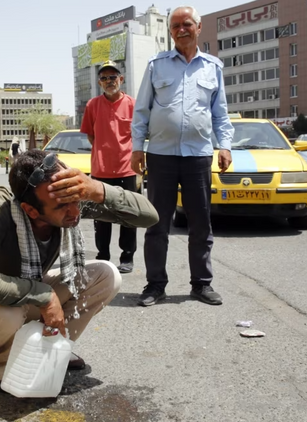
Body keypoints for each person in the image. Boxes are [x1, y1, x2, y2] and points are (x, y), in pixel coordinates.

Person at [0, 150, 158, 389]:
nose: (75, 211)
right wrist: (45, 296)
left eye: (77, 199)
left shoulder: (66, 199)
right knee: (7, 311)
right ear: (31, 210)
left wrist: (96, 189)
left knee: (106, 275)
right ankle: (2, 361)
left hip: (30, 286)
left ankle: (53, 346)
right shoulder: (0, 207)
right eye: (63, 207)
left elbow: (149, 216)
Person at [130, 5, 234, 307]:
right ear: (170, 31)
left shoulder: (213, 67)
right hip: (160, 156)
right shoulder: (156, 65)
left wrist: (224, 145)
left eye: (186, 24)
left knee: (200, 224)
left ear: (198, 28)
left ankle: (201, 284)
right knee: (156, 224)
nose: (180, 29)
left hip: (198, 156)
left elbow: (220, 114)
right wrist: (138, 146)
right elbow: (142, 111)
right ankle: (155, 285)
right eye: (175, 26)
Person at [80, 60, 138, 274]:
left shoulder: (132, 104)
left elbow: (139, 134)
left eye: (112, 77)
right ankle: (103, 255)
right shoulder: (92, 106)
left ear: (121, 79)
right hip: (101, 171)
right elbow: (90, 135)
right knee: (101, 216)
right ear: (99, 82)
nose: (109, 81)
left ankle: (127, 257)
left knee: (128, 215)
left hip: (127, 169)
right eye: (104, 78)